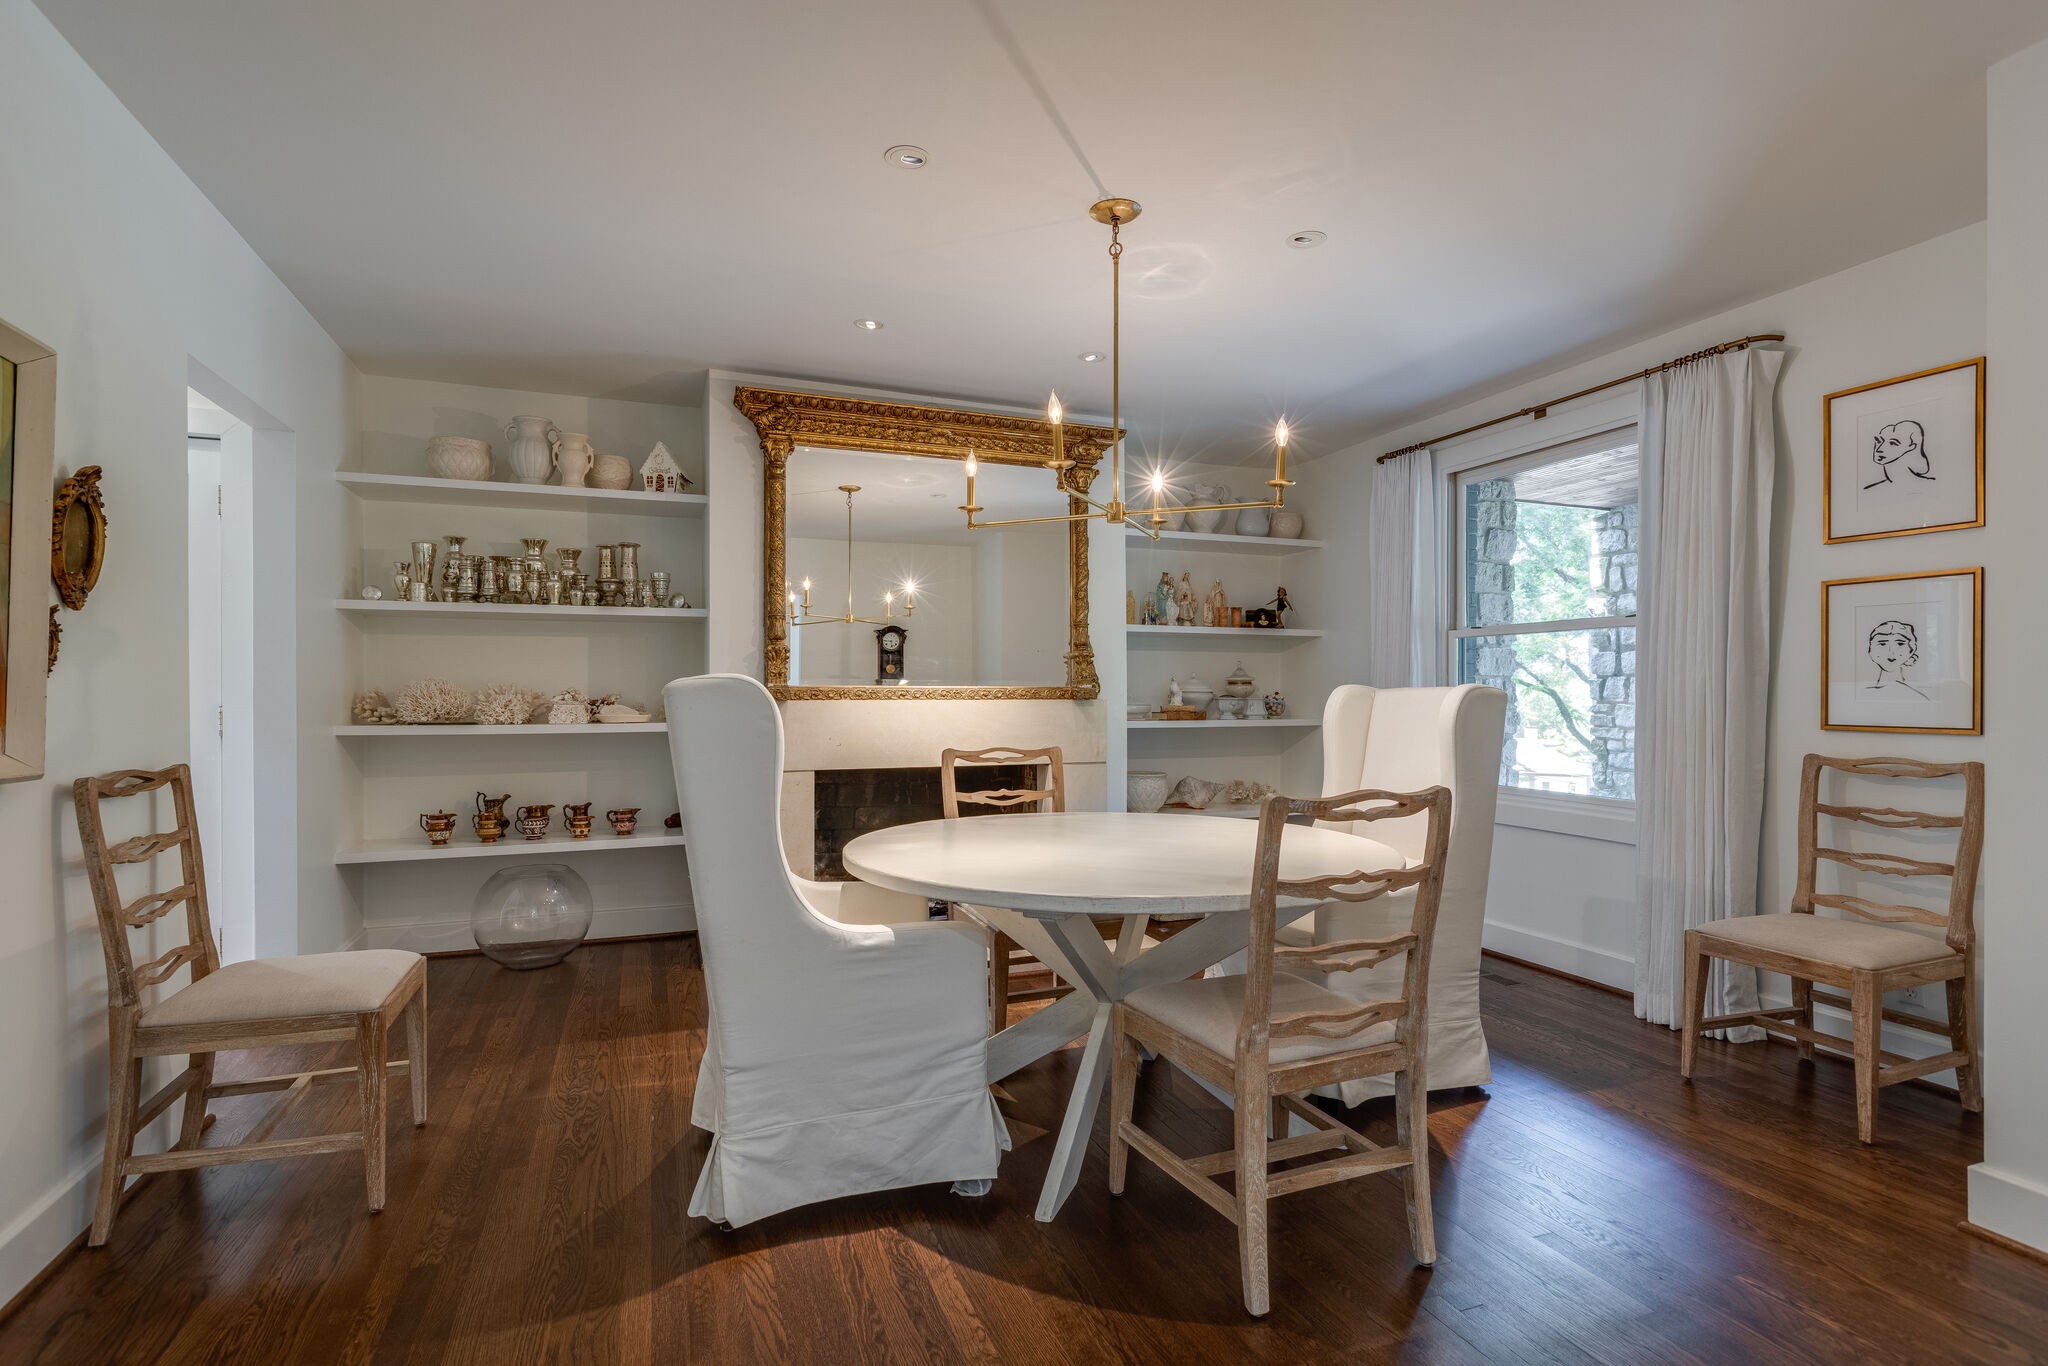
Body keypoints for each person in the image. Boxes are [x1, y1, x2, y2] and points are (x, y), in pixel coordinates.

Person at [1864, 619, 1928, 699]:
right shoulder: (1865, 693)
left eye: (1900, 644)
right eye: (1882, 644)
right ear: (1871, 649)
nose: (1891, 651)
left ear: (1911, 649)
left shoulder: (1916, 697)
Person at [1864, 419, 1933, 490]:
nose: (1879, 449)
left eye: (1892, 443)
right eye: (1878, 441)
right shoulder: (1871, 489)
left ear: (1911, 446)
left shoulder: (1929, 487)